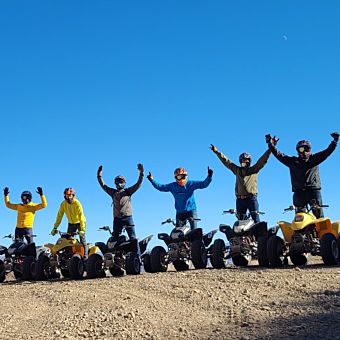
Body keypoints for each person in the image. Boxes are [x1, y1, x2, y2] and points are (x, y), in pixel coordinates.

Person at [266, 132, 339, 218]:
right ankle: (302, 232)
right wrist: (270, 144)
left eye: (306, 149)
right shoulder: (292, 162)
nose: (304, 152)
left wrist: (335, 141)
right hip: (299, 192)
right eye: (301, 149)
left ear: (310, 150)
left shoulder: (314, 159)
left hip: (313, 191)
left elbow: (327, 152)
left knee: (319, 217)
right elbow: (278, 155)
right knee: (299, 218)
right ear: (297, 151)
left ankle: (323, 231)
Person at [210, 143, 274, 223]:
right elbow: (227, 162)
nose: (245, 162)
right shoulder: (237, 170)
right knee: (240, 221)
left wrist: (270, 149)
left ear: (249, 161)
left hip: (251, 199)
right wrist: (217, 152)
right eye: (243, 160)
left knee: (256, 219)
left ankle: (259, 235)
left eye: (246, 160)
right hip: (240, 200)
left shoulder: (254, 169)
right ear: (240, 161)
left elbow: (263, 160)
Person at [147, 167, 213, 229]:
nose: (181, 179)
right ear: (176, 178)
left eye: (182, 176)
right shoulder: (172, 186)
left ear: (186, 176)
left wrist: (209, 176)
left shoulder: (191, 184)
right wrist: (152, 180)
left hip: (191, 211)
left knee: (194, 231)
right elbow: (161, 187)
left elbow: (204, 184)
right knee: (178, 233)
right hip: (180, 212)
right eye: (178, 177)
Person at [97, 163, 144, 241]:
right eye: (117, 182)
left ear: (124, 183)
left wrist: (141, 173)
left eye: (121, 181)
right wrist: (99, 175)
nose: (119, 183)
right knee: (115, 238)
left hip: (127, 217)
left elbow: (138, 184)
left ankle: (136, 253)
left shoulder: (128, 191)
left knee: (133, 238)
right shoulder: (113, 193)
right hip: (117, 219)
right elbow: (103, 185)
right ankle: (118, 253)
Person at [51, 188, 88, 257]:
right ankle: (70, 257)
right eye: (67, 195)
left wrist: (82, 230)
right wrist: (55, 227)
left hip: (80, 223)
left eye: (70, 195)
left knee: (82, 240)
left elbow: (81, 216)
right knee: (68, 240)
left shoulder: (77, 203)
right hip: (71, 224)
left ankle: (85, 257)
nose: (68, 197)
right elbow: (59, 216)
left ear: (73, 195)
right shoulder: (63, 204)